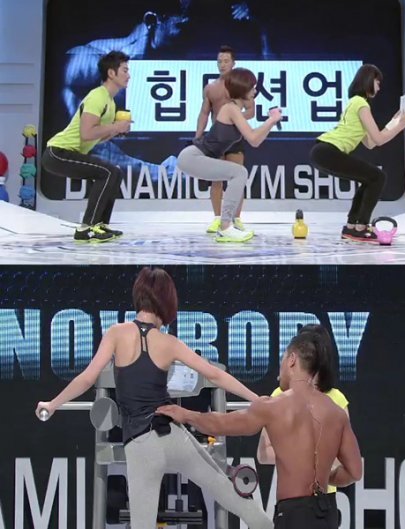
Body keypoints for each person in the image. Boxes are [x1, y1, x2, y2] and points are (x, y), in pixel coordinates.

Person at [35, 267, 273, 529]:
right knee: (229, 493)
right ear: (167, 301)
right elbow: (215, 375)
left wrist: (52, 404)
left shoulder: (116, 333)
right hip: (173, 436)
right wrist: (257, 399)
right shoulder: (168, 342)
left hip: (141, 445)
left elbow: (87, 378)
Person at [158, 331, 362, 529]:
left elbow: (222, 424)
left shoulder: (275, 406)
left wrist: (186, 415)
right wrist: (326, 478)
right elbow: (354, 472)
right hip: (327, 513)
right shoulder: (336, 413)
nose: (280, 369)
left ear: (292, 360)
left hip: (294, 514)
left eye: (283, 359)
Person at [310, 63, 405, 243]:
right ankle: (361, 226)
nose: (379, 88)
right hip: (328, 150)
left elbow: (370, 143)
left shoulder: (354, 102)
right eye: (377, 82)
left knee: (370, 178)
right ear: (368, 80)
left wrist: (394, 123)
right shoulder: (361, 103)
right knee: (378, 177)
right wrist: (401, 126)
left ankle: (352, 226)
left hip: (322, 151)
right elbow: (379, 139)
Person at [178, 67, 282, 242]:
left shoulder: (235, 111)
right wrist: (271, 120)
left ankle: (226, 225)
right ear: (243, 89)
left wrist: (271, 122)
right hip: (192, 157)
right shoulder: (230, 109)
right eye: (252, 88)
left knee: (238, 172)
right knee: (239, 172)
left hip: (197, 157)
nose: (255, 92)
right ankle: (225, 227)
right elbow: (253, 138)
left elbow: (255, 140)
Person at [42, 51, 132, 243]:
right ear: (111, 73)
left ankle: (100, 225)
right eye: (125, 70)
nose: (128, 75)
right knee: (108, 172)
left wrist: (116, 131)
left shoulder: (110, 101)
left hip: (68, 152)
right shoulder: (98, 96)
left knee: (114, 173)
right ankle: (86, 228)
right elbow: (87, 133)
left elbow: (95, 139)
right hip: (58, 153)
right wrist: (115, 126)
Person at [257, 324, 350, 502]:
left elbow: (344, 458)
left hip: (324, 499)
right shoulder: (279, 395)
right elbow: (263, 453)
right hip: (290, 497)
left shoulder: (337, 399)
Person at [195, 45, 255, 234]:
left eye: (226, 61)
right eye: (219, 61)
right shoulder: (211, 88)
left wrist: (236, 119)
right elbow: (204, 113)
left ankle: (236, 219)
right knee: (216, 180)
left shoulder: (241, 87)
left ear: (233, 63)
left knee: (237, 178)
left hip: (235, 137)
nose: (222, 64)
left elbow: (251, 110)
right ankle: (217, 218)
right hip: (216, 138)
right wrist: (198, 135)